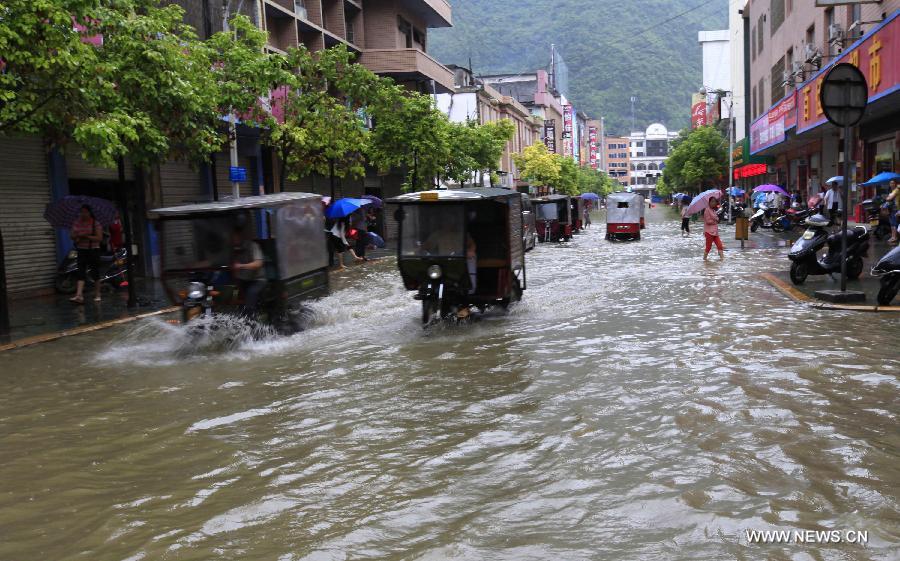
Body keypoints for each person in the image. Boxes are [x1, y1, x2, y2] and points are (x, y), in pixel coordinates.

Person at [69, 205, 104, 304]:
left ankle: (97, 294)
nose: (83, 214)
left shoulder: (95, 223)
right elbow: (71, 236)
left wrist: (87, 236)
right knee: (80, 272)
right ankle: (79, 295)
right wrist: (77, 236)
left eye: (85, 212)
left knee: (95, 273)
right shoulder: (77, 222)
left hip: (93, 250)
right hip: (81, 250)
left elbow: (99, 238)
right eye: (81, 212)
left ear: (90, 213)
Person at [231, 226, 266, 316]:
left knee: (251, 293)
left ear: (241, 236)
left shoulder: (253, 246)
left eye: (235, 237)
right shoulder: (232, 249)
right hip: (242, 281)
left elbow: (258, 263)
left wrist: (241, 266)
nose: (233, 240)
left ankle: (251, 321)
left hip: (257, 280)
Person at [884, 178, 899, 245]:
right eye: (890, 183)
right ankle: (893, 236)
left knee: (894, 223)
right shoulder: (892, 191)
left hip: (895, 208)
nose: (891, 184)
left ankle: (895, 237)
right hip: (891, 208)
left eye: (893, 183)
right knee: (892, 223)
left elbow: (889, 198)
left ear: (895, 184)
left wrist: (887, 198)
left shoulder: (897, 190)